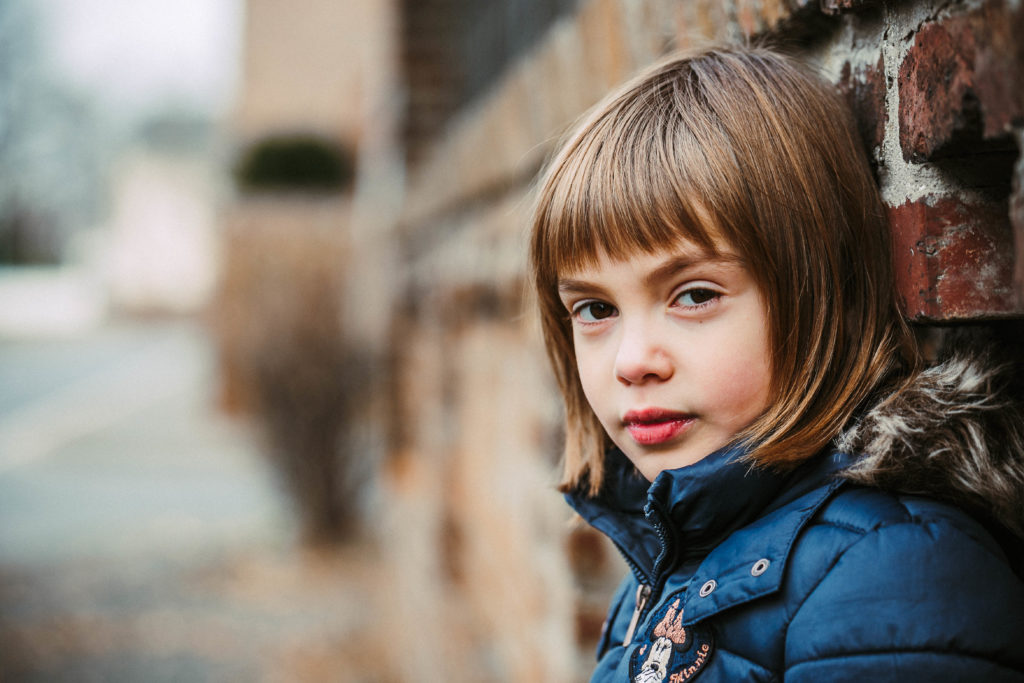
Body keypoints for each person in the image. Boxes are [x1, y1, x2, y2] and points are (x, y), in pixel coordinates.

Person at [529, 44, 1024, 682]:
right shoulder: (672, 551)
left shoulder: (891, 576)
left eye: (696, 295)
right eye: (595, 309)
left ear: (821, 292)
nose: (632, 362)